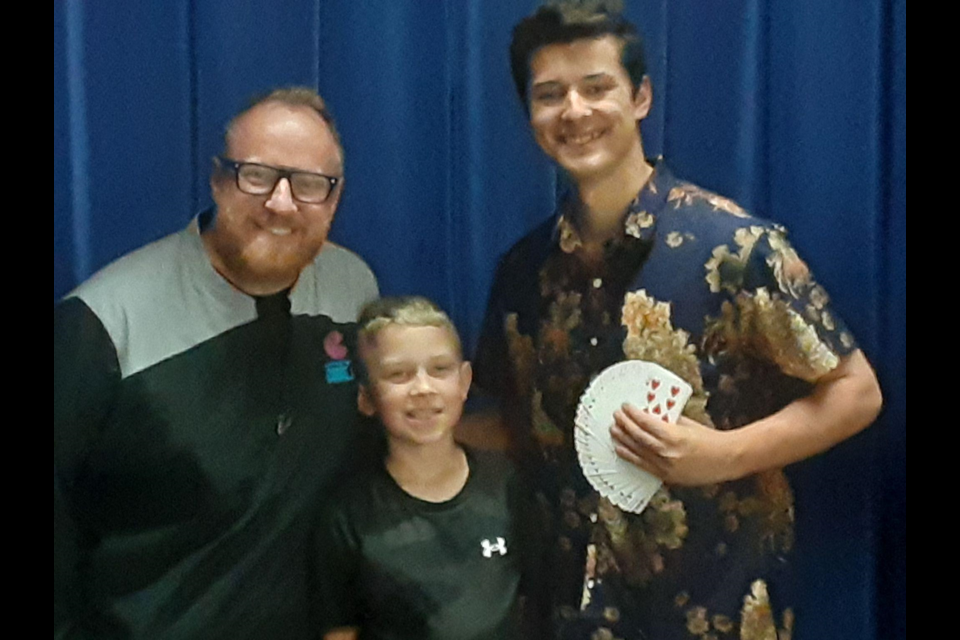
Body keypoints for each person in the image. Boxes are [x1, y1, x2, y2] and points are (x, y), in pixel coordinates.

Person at [473, 5, 883, 639]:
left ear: (640, 97)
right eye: (550, 94)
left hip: (713, 605)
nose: (575, 111)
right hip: (564, 615)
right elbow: (512, 426)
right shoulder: (521, 273)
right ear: (530, 114)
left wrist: (723, 454)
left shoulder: (736, 251)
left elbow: (857, 393)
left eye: (597, 87)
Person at [54, 87, 379, 639]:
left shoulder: (355, 290)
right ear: (217, 179)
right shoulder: (104, 322)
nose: (280, 202)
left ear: (336, 197)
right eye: (256, 175)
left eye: (307, 184)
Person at [314, 296, 540, 640]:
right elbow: (340, 631)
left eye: (440, 369)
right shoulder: (347, 516)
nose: (422, 388)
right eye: (397, 374)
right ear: (367, 398)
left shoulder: (506, 483)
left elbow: (533, 604)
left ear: (464, 382)